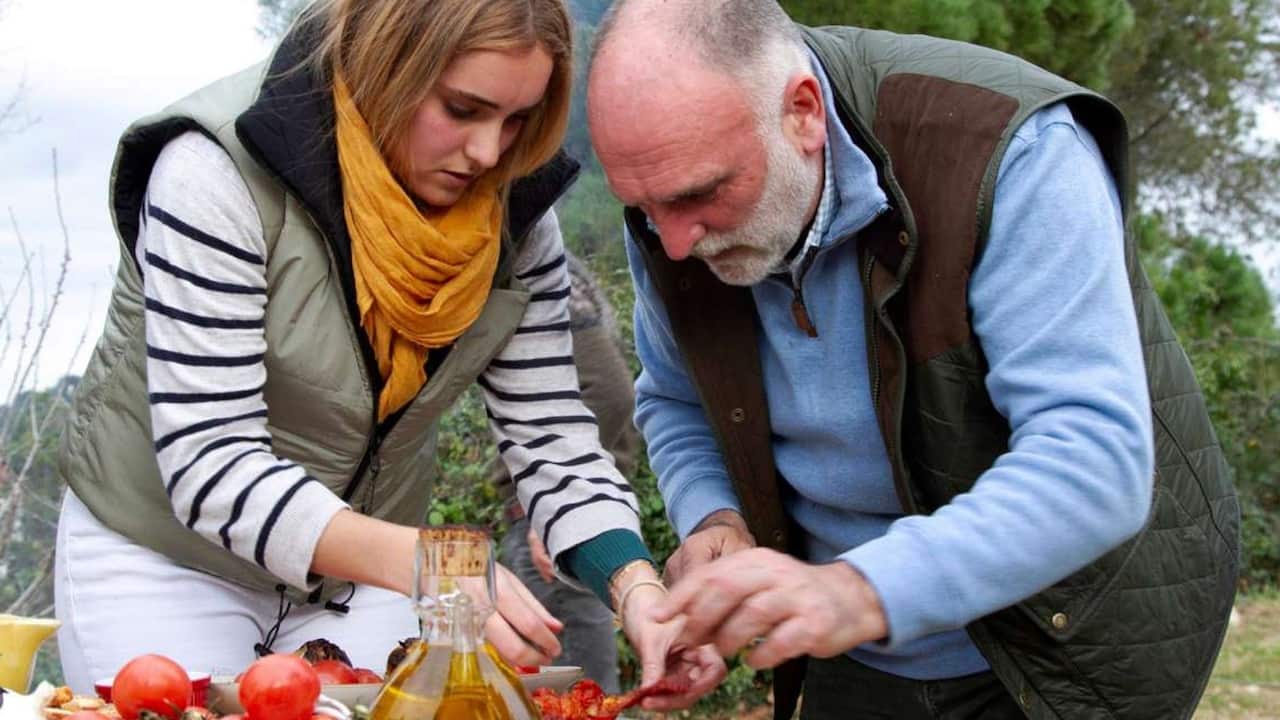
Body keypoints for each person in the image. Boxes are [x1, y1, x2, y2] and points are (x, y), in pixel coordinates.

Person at [53, 0, 723, 705]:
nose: (490, 153)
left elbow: (552, 438)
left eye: (518, 119)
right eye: (463, 109)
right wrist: (433, 564)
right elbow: (210, 463)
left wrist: (638, 587)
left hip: (367, 570)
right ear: (390, 65)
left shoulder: (517, 214)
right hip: (168, 556)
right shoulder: (213, 170)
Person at [585, 1, 1239, 719]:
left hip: (1060, 640)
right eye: (645, 209)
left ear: (802, 113)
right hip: (856, 644)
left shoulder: (1009, 149)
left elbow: (1094, 459)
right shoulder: (675, 203)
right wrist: (714, 517)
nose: (675, 246)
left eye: (700, 194)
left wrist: (860, 589)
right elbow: (677, 400)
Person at [494, 251, 640, 694]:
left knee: (576, 692)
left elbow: (614, 393)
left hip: (559, 524)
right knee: (559, 689)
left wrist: (555, 501)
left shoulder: (547, 274)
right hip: (563, 518)